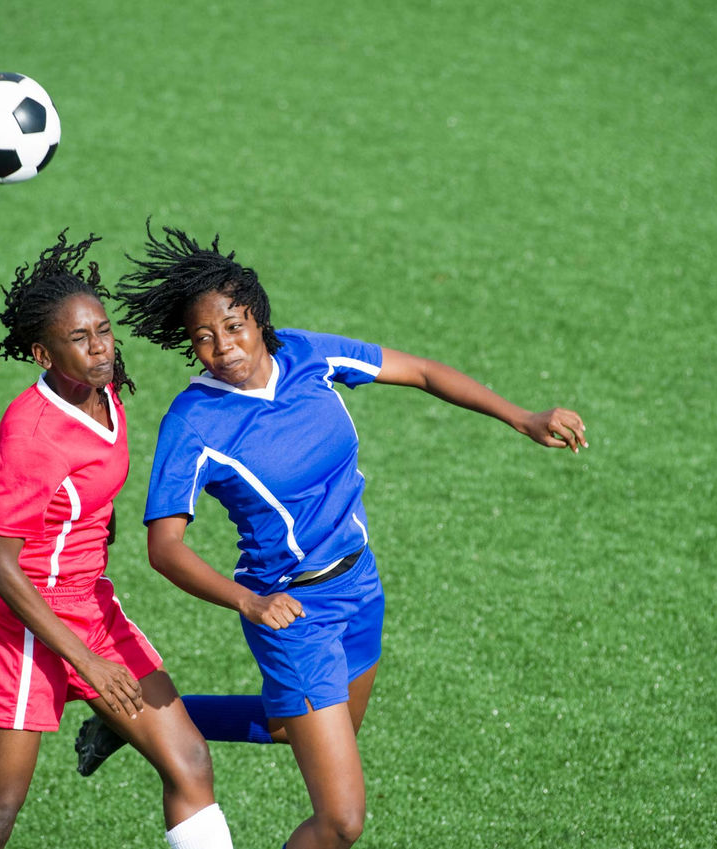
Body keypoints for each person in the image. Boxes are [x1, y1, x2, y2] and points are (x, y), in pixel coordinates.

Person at [75, 223, 587, 849]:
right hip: (291, 613)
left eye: (234, 327)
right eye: (204, 338)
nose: (224, 347)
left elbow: (421, 372)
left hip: (361, 586)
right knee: (341, 821)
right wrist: (250, 602)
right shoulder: (194, 421)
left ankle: (132, 723)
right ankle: (139, 723)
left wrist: (522, 417)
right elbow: (165, 547)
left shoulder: (306, 355)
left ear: (259, 319)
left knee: (294, 727)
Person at [0, 231, 234, 849]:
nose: (100, 348)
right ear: (42, 354)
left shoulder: (105, 392)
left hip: (89, 607)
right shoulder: (32, 435)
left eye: (102, 331)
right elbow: (0, 566)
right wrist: (86, 662)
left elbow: (90, 498)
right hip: (23, 628)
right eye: (79, 340)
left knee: (189, 762)